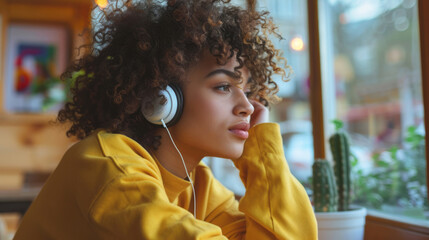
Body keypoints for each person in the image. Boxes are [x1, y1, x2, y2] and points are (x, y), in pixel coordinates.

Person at [13, 0, 317, 239]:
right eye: (224, 86)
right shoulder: (108, 169)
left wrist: (262, 148)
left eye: (248, 91)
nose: (248, 107)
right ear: (162, 98)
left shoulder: (200, 187)